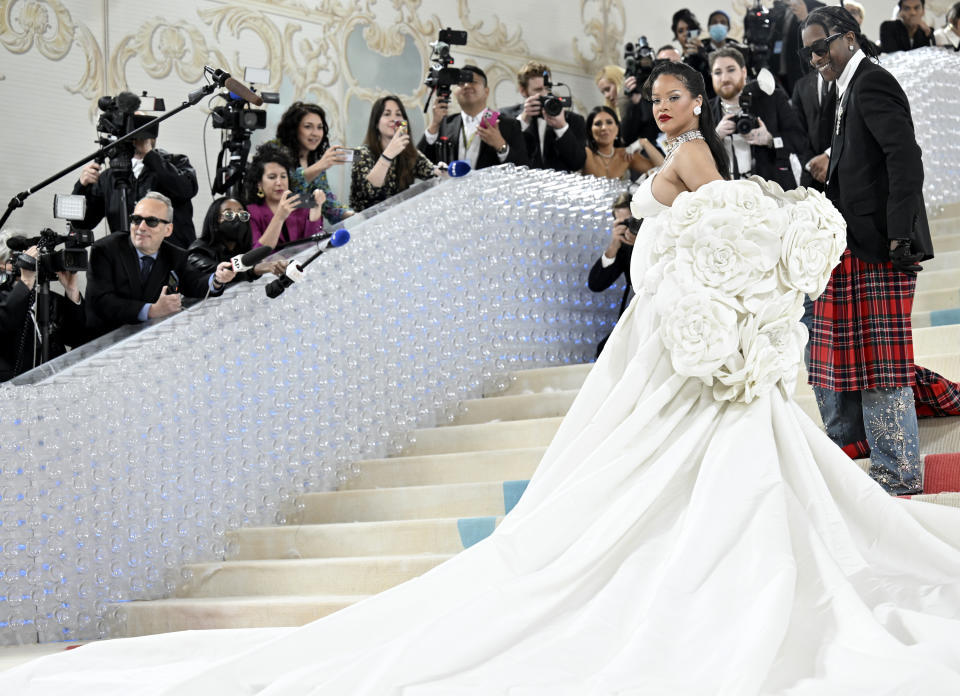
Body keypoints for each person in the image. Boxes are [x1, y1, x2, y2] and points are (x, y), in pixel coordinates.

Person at [11, 58, 960, 695]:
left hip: (685, 330)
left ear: (701, 102)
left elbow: (731, 228)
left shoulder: (697, 152)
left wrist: (702, 264)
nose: (666, 107)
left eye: (676, 96)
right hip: (665, 328)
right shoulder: (669, 151)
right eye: (659, 98)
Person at [801, 6, 960, 494]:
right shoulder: (844, 89)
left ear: (848, 38)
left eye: (821, 47)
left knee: (882, 363)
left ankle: (899, 475)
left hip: (881, 248)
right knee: (850, 359)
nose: (815, 59)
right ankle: (861, 460)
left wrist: (899, 235)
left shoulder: (872, 80)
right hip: (852, 249)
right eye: (808, 53)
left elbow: (906, 159)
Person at [85, 192, 235, 338]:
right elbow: (101, 301)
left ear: (168, 230)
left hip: (149, 340)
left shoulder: (176, 256)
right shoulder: (105, 249)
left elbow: (195, 283)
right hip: (104, 341)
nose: (141, 227)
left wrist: (217, 279)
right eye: (136, 219)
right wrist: (151, 310)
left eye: (151, 221)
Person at [72, 102, 199, 248]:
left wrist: (149, 154)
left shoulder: (176, 162)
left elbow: (186, 189)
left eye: (140, 126)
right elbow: (83, 223)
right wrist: (81, 186)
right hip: (126, 261)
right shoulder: (109, 177)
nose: (134, 133)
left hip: (171, 261)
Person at [709, 46, 806, 190]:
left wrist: (770, 139)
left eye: (731, 70)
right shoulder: (706, 111)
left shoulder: (772, 98)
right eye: (718, 72)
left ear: (744, 71)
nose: (724, 78)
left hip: (771, 191)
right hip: (726, 194)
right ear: (711, 76)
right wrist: (715, 137)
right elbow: (696, 158)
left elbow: (800, 141)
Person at [0, 241, 86, 381]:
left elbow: (76, 338)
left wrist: (72, 291)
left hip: (55, 383)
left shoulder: (46, 298)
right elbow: (4, 322)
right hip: (14, 389)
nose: (25, 264)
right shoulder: (6, 300)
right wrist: (25, 283)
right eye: (17, 259)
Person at [418, 65, 529, 170]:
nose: (466, 86)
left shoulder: (508, 124)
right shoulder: (445, 124)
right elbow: (420, 164)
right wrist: (434, 125)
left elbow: (522, 167)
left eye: (473, 81)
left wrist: (501, 145)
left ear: (486, 91)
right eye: (461, 83)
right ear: (455, 92)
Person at [349, 96, 439, 212]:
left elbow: (431, 171)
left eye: (398, 114)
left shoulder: (409, 152)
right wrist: (388, 154)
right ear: (376, 123)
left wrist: (440, 170)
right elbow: (369, 193)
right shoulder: (360, 153)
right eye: (387, 114)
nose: (393, 119)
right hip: (366, 223)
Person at [270, 101, 354, 225]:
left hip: (307, 230)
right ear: (294, 129)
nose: (315, 133)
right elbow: (286, 192)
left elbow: (327, 203)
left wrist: (354, 216)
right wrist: (320, 165)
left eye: (319, 127)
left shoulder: (314, 159)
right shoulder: (274, 151)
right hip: (278, 228)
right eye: (308, 126)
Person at [499, 62, 587, 173]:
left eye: (548, 88)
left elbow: (577, 163)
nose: (545, 94)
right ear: (523, 90)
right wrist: (523, 121)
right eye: (538, 90)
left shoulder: (573, 120)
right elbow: (502, 157)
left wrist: (561, 128)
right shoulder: (506, 117)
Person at [187, 197, 287, 285]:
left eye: (242, 215)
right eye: (229, 214)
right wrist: (258, 269)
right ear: (215, 220)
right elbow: (223, 273)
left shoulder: (241, 249)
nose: (237, 218)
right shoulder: (198, 251)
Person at [244, 143, 326, 249]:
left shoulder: (301, 206)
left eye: (283, 176)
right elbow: (256, 253)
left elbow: (314, 247)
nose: (279, 182)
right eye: (272, 177)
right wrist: (279, 216)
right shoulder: (250, 213)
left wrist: (316, 209)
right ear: (259, 184)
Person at [587, 192, 636, 357]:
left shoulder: (659, 236)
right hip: (635, 313)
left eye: (631, 221)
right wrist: (614, 246)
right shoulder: (624, 248)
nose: (628, 227)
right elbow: (596, 284)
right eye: (622, 223)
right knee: (605, 351)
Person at [581, 106, 662, 181]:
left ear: (617, 128)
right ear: (590, 130)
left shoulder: (625, 154)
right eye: (598, 124)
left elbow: (663, 171)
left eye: (609, 122)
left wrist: (644, 142)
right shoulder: (586, 153)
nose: (604, 128)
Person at [789, 68, 836, 191]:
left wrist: (830, 156)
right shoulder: (801, 85)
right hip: (811, 179)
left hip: (845, 175)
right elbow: (796, 132)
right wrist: (812, 164)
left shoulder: (852, 80)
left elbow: (857, 128)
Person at [767, 0, 826, 94]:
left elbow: (820, 40)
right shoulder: (781, 8)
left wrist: (805, 18)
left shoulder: (817, 7)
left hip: (802, 72)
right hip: (778, 70)